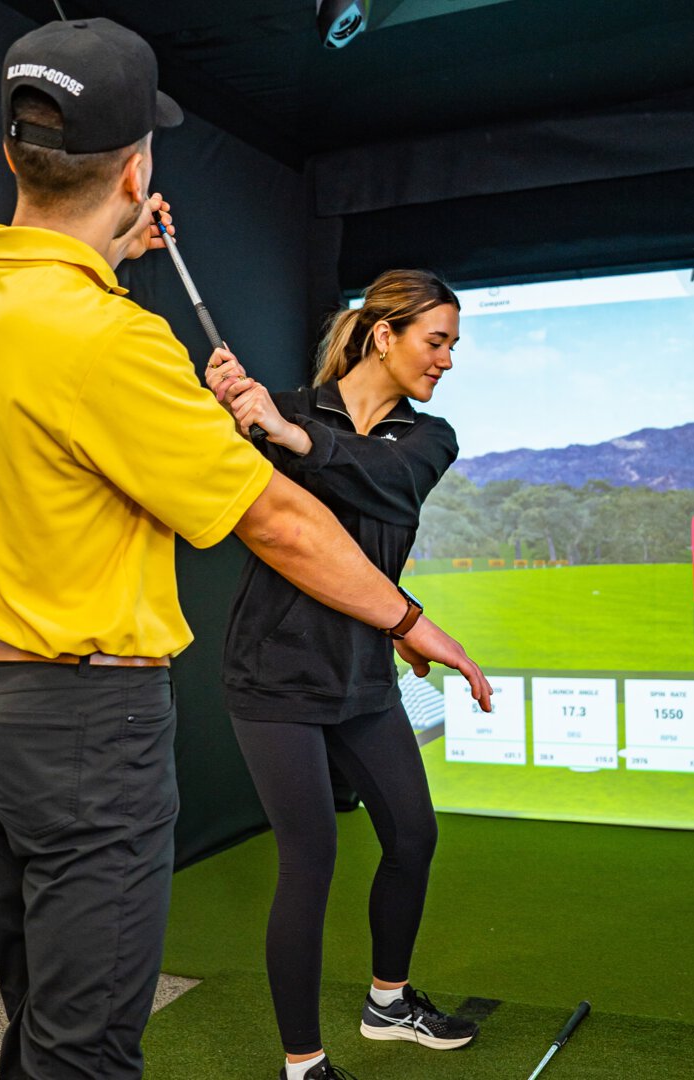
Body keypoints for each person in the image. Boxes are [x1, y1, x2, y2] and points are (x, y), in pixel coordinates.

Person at [0, 20, 490, 1080]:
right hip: (87, 728)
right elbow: (277, 519)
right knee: (86, 1046)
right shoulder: (113, 339)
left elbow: (66, 373)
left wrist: (114, 250)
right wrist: (416, 623)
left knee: (39, 1014)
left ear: (12, 153)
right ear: (137, 168)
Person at [207, 270, 482, 1080]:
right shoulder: (279, 409)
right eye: (437, 342)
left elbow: (383, 485)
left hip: (363, 676)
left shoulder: (427, 440)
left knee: (413, 834)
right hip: (274, 676)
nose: (447, 361)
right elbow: (234, 496)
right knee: (311, 855)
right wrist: (227, 409)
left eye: (453, 346)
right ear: (381, 335)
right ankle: (305, 1064)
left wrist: (294, 440)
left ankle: (388, 1003)